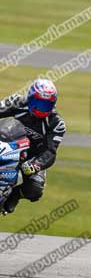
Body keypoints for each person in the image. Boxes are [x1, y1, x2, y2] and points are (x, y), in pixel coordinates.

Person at [0, 79, 65, 214]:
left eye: (46, 105)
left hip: (30, 157)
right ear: (30, 97)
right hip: (7, 145)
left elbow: (50, 152)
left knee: (35, 189)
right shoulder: (17, 102)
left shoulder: (56, 123)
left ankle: (14, 196)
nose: (41, 109)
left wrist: (34, 165)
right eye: (38, 103)